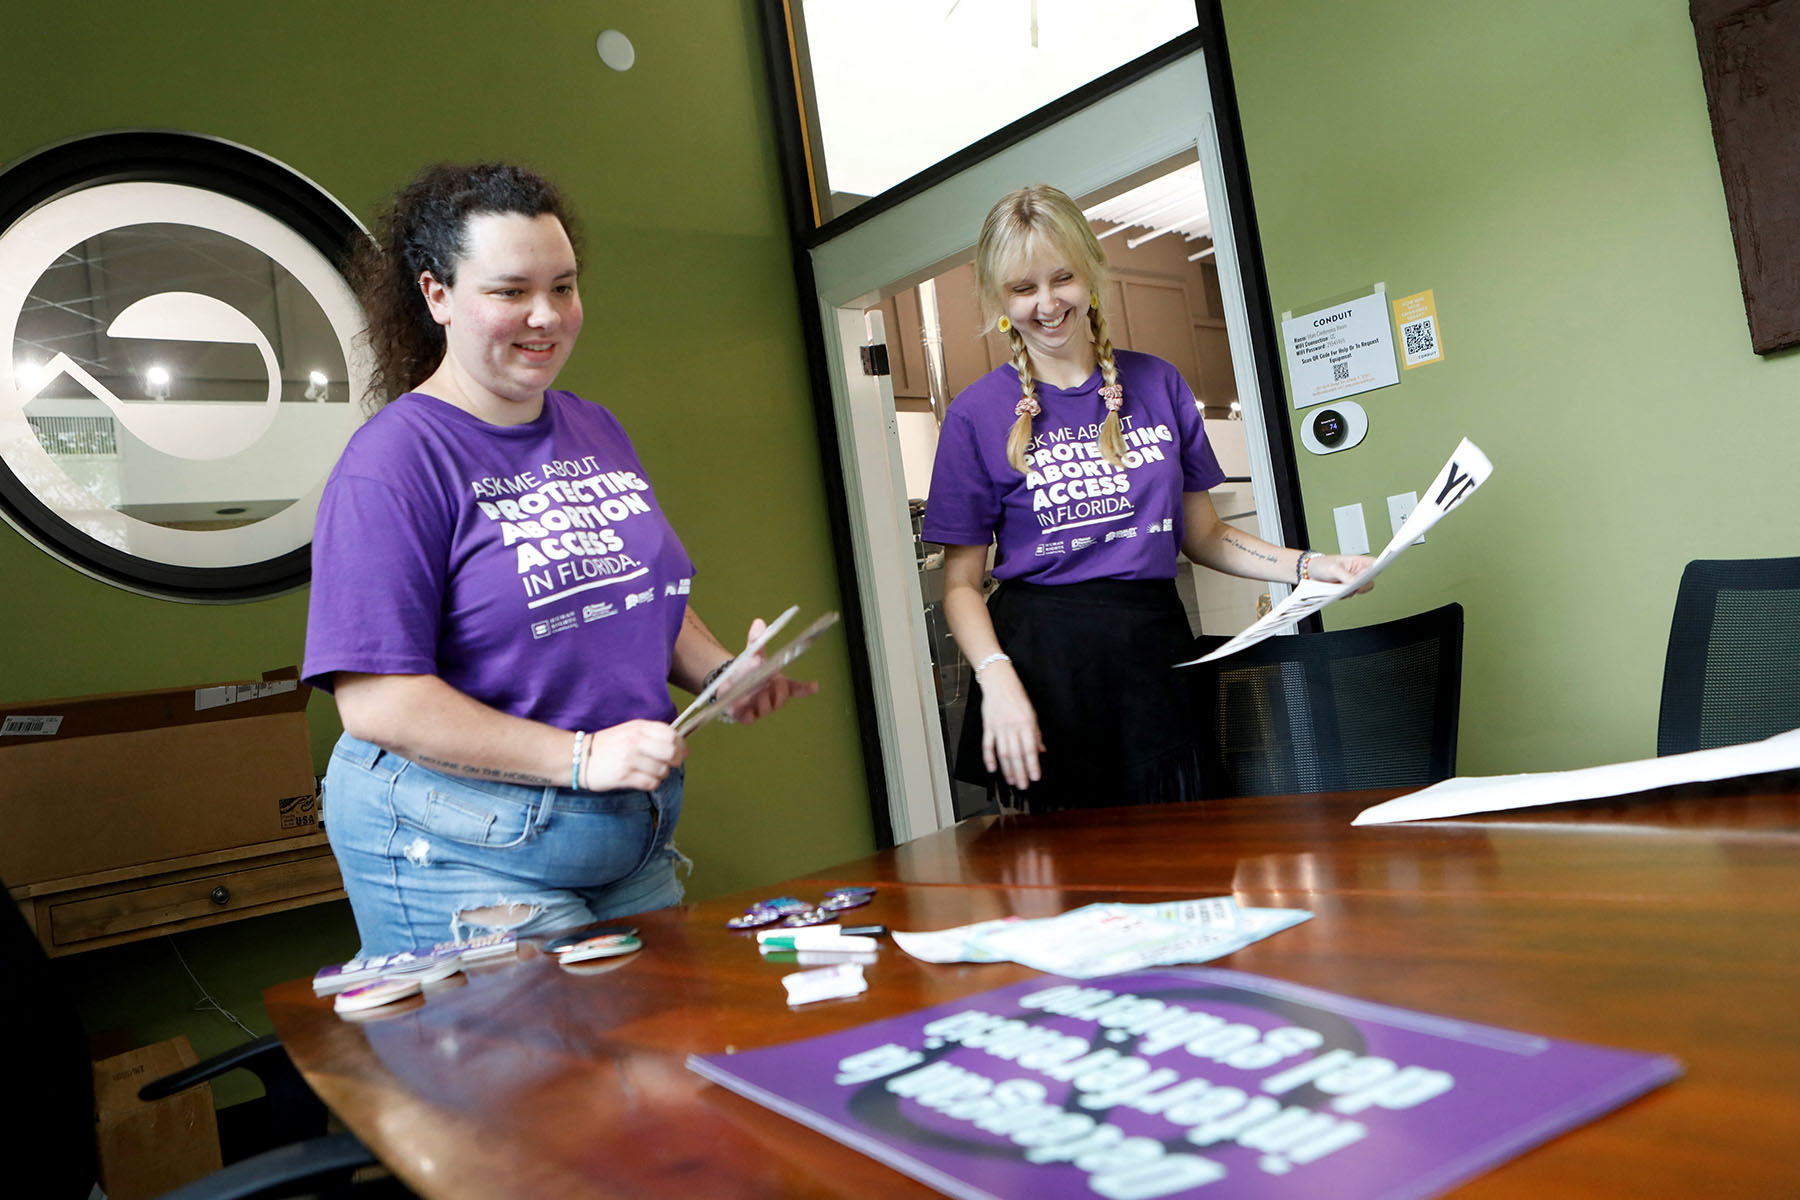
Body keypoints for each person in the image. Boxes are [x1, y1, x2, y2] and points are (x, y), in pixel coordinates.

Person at [303, 162, 814, 955]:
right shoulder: (394, 461)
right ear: (437, 295)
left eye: (564, 287)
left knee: (661, 1051)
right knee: (561, 1068)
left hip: (618, 828)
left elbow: (630, 595)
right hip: (462, 839)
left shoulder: (593, 426)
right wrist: (580, 758)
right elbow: (377, 702)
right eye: (510, 292)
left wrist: (720, 673)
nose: (546, 316)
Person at [922, 184, 1371, 811]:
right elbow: (963, 586)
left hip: (1152, 651)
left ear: (1091, 276)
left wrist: (1311, 567)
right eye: (1024, 289)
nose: (1047, 305)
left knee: (1187, 860)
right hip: (1041, 665)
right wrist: (996, 678)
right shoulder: (975, 415)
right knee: (1070, 886)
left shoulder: (1158, 382)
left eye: (1062, 279)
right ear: (1000, 298)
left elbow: (1205, 534)